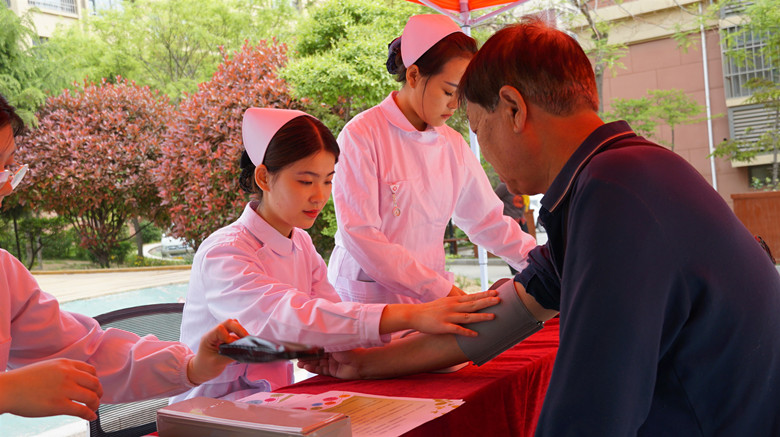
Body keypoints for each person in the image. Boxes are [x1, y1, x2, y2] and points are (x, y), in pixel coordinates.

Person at [300, 18, 780, 436]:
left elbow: (591, 408)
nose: (480, 149)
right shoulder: (621, 174)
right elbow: (502, 314)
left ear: (513, 109)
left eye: (476, 125)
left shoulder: (614, 193)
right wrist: (364, 362)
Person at [173, 107, 501, 402]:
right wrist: (411, 315)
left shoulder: (300, 243)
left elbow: (334, 319)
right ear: (263, 178)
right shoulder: (225, 251)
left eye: (328, 181)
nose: (319, 196)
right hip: (209, 414)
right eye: (305, 181)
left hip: (274, 405)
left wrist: (423, 339)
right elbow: (288, 317)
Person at [0, 93, 250, 422]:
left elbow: (88, 352)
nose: (7, 187)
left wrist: (192, 365)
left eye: (7, 168)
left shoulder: (5, 274)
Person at [328, 14, 536, 305]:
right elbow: (360, 235)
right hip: (370, 302)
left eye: (461, 95)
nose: (454, 104)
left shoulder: (450, 143)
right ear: (413, 76)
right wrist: (441, 290)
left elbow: (486, 220)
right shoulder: (361, 135)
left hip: (430, 300)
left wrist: (537, 261)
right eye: (448, 91)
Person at [494, 182, 530, 274]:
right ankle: (515, 270)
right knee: (511, 246)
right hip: (509, 220)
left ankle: (527, 268)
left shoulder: (522, 185)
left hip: (521, 220)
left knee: (526, 244)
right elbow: (494, 199)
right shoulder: (504, 186)